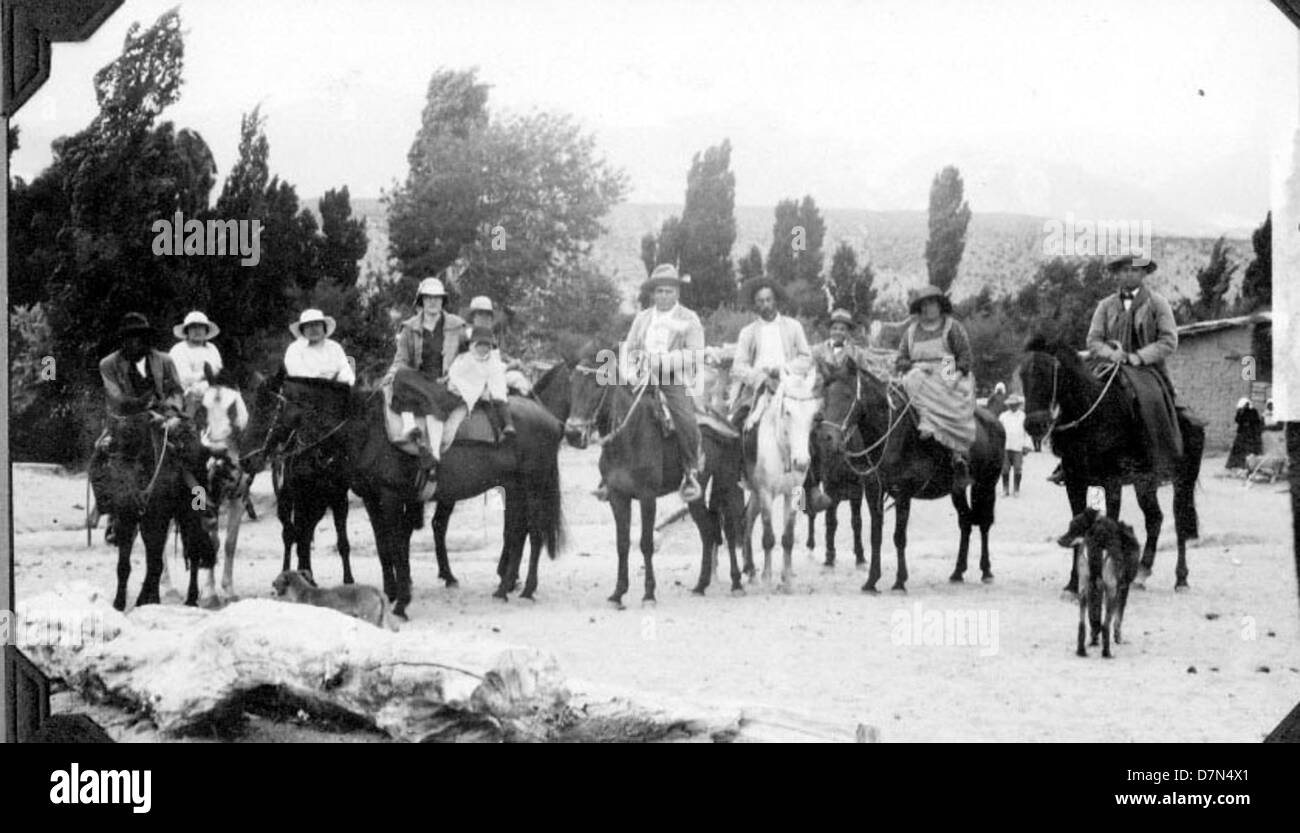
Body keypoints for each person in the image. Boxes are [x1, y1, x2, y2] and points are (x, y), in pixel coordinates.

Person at [600, 263, 704, 503]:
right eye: (659, 291)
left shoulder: (689, 319)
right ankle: (609, 473)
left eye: (668, 291)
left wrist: (664, 362)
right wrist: (638, 363)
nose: (663, 296)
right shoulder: (643, 318)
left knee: (686, 418)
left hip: (671, 379)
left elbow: (695, 353)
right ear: (652, 294)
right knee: (613, 408)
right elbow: (630, 347)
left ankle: (690, 470)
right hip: (640, 376)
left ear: (677, 293)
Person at [1084, 253, 1185, 479]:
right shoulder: (1105, 306)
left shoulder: (1158, 304)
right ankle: (1075, 459)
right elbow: (1093, 340)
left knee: (1150, 400)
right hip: (1109, 367)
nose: (1129, 274)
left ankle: (1156, 456)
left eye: (1135, 270)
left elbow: (1169, 341)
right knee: (1083, 397)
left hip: (1146, 368)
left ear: (1143, 274)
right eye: (1124, 271)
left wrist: (1137, 357)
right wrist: (1111, 354)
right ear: (1118, 275)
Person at [90, 313, 188, 543]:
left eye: (139, 337)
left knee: (195, 456)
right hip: (124, 421)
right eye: (129, 337)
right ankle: (113, 513)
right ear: (122, 340)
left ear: (146, 339)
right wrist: (145, 408)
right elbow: (117, 398)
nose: (135, 342)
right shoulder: (108, 364)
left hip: (162, 418)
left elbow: (176, 391)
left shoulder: (164, 360)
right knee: (98, 461)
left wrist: (168, 414)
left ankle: (197, 510)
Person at [383, 275, 469, 480]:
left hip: (446, 384)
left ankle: (430, 450)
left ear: (443, 301)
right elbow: (401, 360)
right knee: (401, 375)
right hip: (419, 381)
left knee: (425, 392)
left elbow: (468, 358)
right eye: (428, 297)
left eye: (437, 298)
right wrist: (390, 376)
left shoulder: (458, 326)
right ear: (421, 301)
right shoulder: (409, 327)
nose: (432, 302)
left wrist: (454, 376)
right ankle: (415, 432)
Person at [896, 285, 977, 488]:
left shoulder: (952, 327)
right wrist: (915, 365)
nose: (927, 308)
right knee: (910, 381)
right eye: (923, 305)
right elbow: (901, 360)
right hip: (920, 370)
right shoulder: (911, 332)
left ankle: (957, 453)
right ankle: (922, 422)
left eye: (931, 303)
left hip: (948, 367)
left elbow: (965, 356)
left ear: (940, 306)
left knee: (949, 393)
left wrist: (956, 376)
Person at [731, 277, 812, 428]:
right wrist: (759, 378)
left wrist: (784, 369)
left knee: (810, 426)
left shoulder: (794, 327)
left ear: (775, 301)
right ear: (755, 304)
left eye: (769, 300)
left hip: (790, 386)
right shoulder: (747, 332)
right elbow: (738, 366)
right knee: (736, 426)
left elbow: (806, 358)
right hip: (758, 390)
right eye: (760, 301)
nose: (765, 305)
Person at [447, 326, 515, 438]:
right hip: (463, 394)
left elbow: (496, 376)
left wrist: (490, 389)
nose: (484, 349)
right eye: (480, 345)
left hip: (484, 394)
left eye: (487, 346)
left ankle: (504, 428)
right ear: (473, 345)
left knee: (495, 404)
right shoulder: (465, 359)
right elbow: (456, 375)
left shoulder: (492, 361)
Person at [465, 295, 532, 395]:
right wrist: (510, 366)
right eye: (480, 314)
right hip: (476, 380)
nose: (485, 318)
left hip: (493, 376)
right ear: (472, 317)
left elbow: (496, 359)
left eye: (488, 315)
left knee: (520, 380)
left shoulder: (490, 337)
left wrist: (514, 363)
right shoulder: (470, 335)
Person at [168, 310, 223, 415]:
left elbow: (219, 369)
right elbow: (183, 379)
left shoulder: (212, 348)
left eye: (201, 327)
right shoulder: (179, 349)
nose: (197, 330)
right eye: (193, 327)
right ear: (187, 331)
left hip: (213, 388)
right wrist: (206, 375)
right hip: (186, 394)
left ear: (206, 330)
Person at [283, 309, 356, 385]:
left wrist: (341, 384)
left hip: (334, 390)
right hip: (305, 391)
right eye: (308, 326)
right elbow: (297, 374)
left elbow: (346, 372)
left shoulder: (335, 347)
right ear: (302, 330)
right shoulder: (295, 348)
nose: (313, 329)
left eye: (317, 325)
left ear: (324, 328)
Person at [998, 393, 1031, 496]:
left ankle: (1016, 489)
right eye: (1011, 404)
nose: (1013, 406)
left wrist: (1027, 445)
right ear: (1008, 405)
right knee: (1005, 468)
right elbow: (998, 432)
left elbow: (1027, 432)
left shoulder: (1023, 416)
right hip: (1006, 446)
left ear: (1018, 405)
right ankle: (1005, 489)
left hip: (1018, 446)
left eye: (1015, 404)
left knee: (1017, 468)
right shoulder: (1003, 416)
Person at [1226, 397, 1263, 470]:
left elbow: (1256, 421)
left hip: (1250, 434)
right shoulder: (1240, 411)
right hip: (1242, 433)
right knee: (1238, 449)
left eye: (1247, 404)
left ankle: (1248, 465)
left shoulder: (1253, 411)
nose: (1246, 405)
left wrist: (1249, 423)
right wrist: (1241, 413)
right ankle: (1235, 464)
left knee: (1249, 450)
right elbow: (1237, 420)